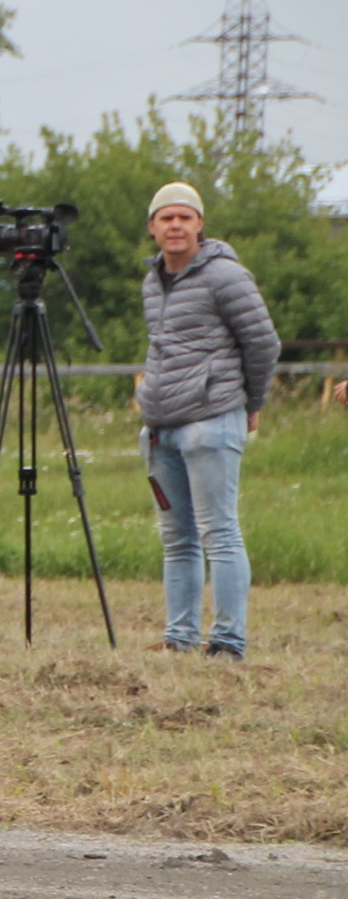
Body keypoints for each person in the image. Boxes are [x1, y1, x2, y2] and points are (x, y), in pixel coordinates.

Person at [138, 181, 278, 659]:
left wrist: (249, 402)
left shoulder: (226, 276)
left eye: (185, 217)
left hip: (211, 419)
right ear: (153, 227)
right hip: (162, 426)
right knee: (177, 540)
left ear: (200, 224)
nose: (175, 226)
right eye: (166, 218)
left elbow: (263, 343)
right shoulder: (152, 280)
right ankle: (179, 639)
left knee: (219, 532)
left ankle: (227, 642)